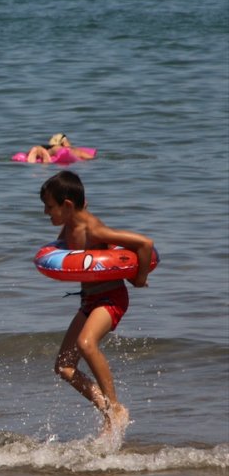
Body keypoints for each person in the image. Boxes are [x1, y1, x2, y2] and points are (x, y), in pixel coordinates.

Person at [39, 170, 154, 443]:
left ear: (68, 205)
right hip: (89, 300)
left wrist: (138, 279)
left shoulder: (94, 230)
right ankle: (108, 410)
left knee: (86, 344)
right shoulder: (69, 225)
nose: (45, 212)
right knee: (64, 367)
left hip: (110, 298)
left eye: (49, 206)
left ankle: (115, 409)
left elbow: (144, 244)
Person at [22, 133, 96, 164]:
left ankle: (38, 151)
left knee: (37, 149)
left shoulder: (52, 147)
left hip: (45, 148)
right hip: (57, 149)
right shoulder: (66, 148)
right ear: (64, 142)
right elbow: (89, 157)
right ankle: (42, 153)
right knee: (78, 152)